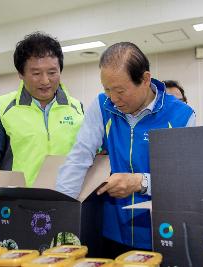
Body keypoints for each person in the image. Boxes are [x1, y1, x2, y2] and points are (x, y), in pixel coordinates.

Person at [56, 42, 195, 257]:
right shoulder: (103, 105)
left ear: (145, 79)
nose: (113, 98)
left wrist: (141, 182)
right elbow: (79, 156)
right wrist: (62, 212)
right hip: (112, 232)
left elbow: (186, 180)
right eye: (107, 89)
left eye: (120, 90)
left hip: (162, 234)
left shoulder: (181, 115)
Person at [0, 32, 84, 242]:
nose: (45, 81)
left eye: (52, 72)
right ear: (20, 74)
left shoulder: (77, 107)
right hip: (14, 203)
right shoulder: (3, 105)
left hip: (65, 202)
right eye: (35, 73)